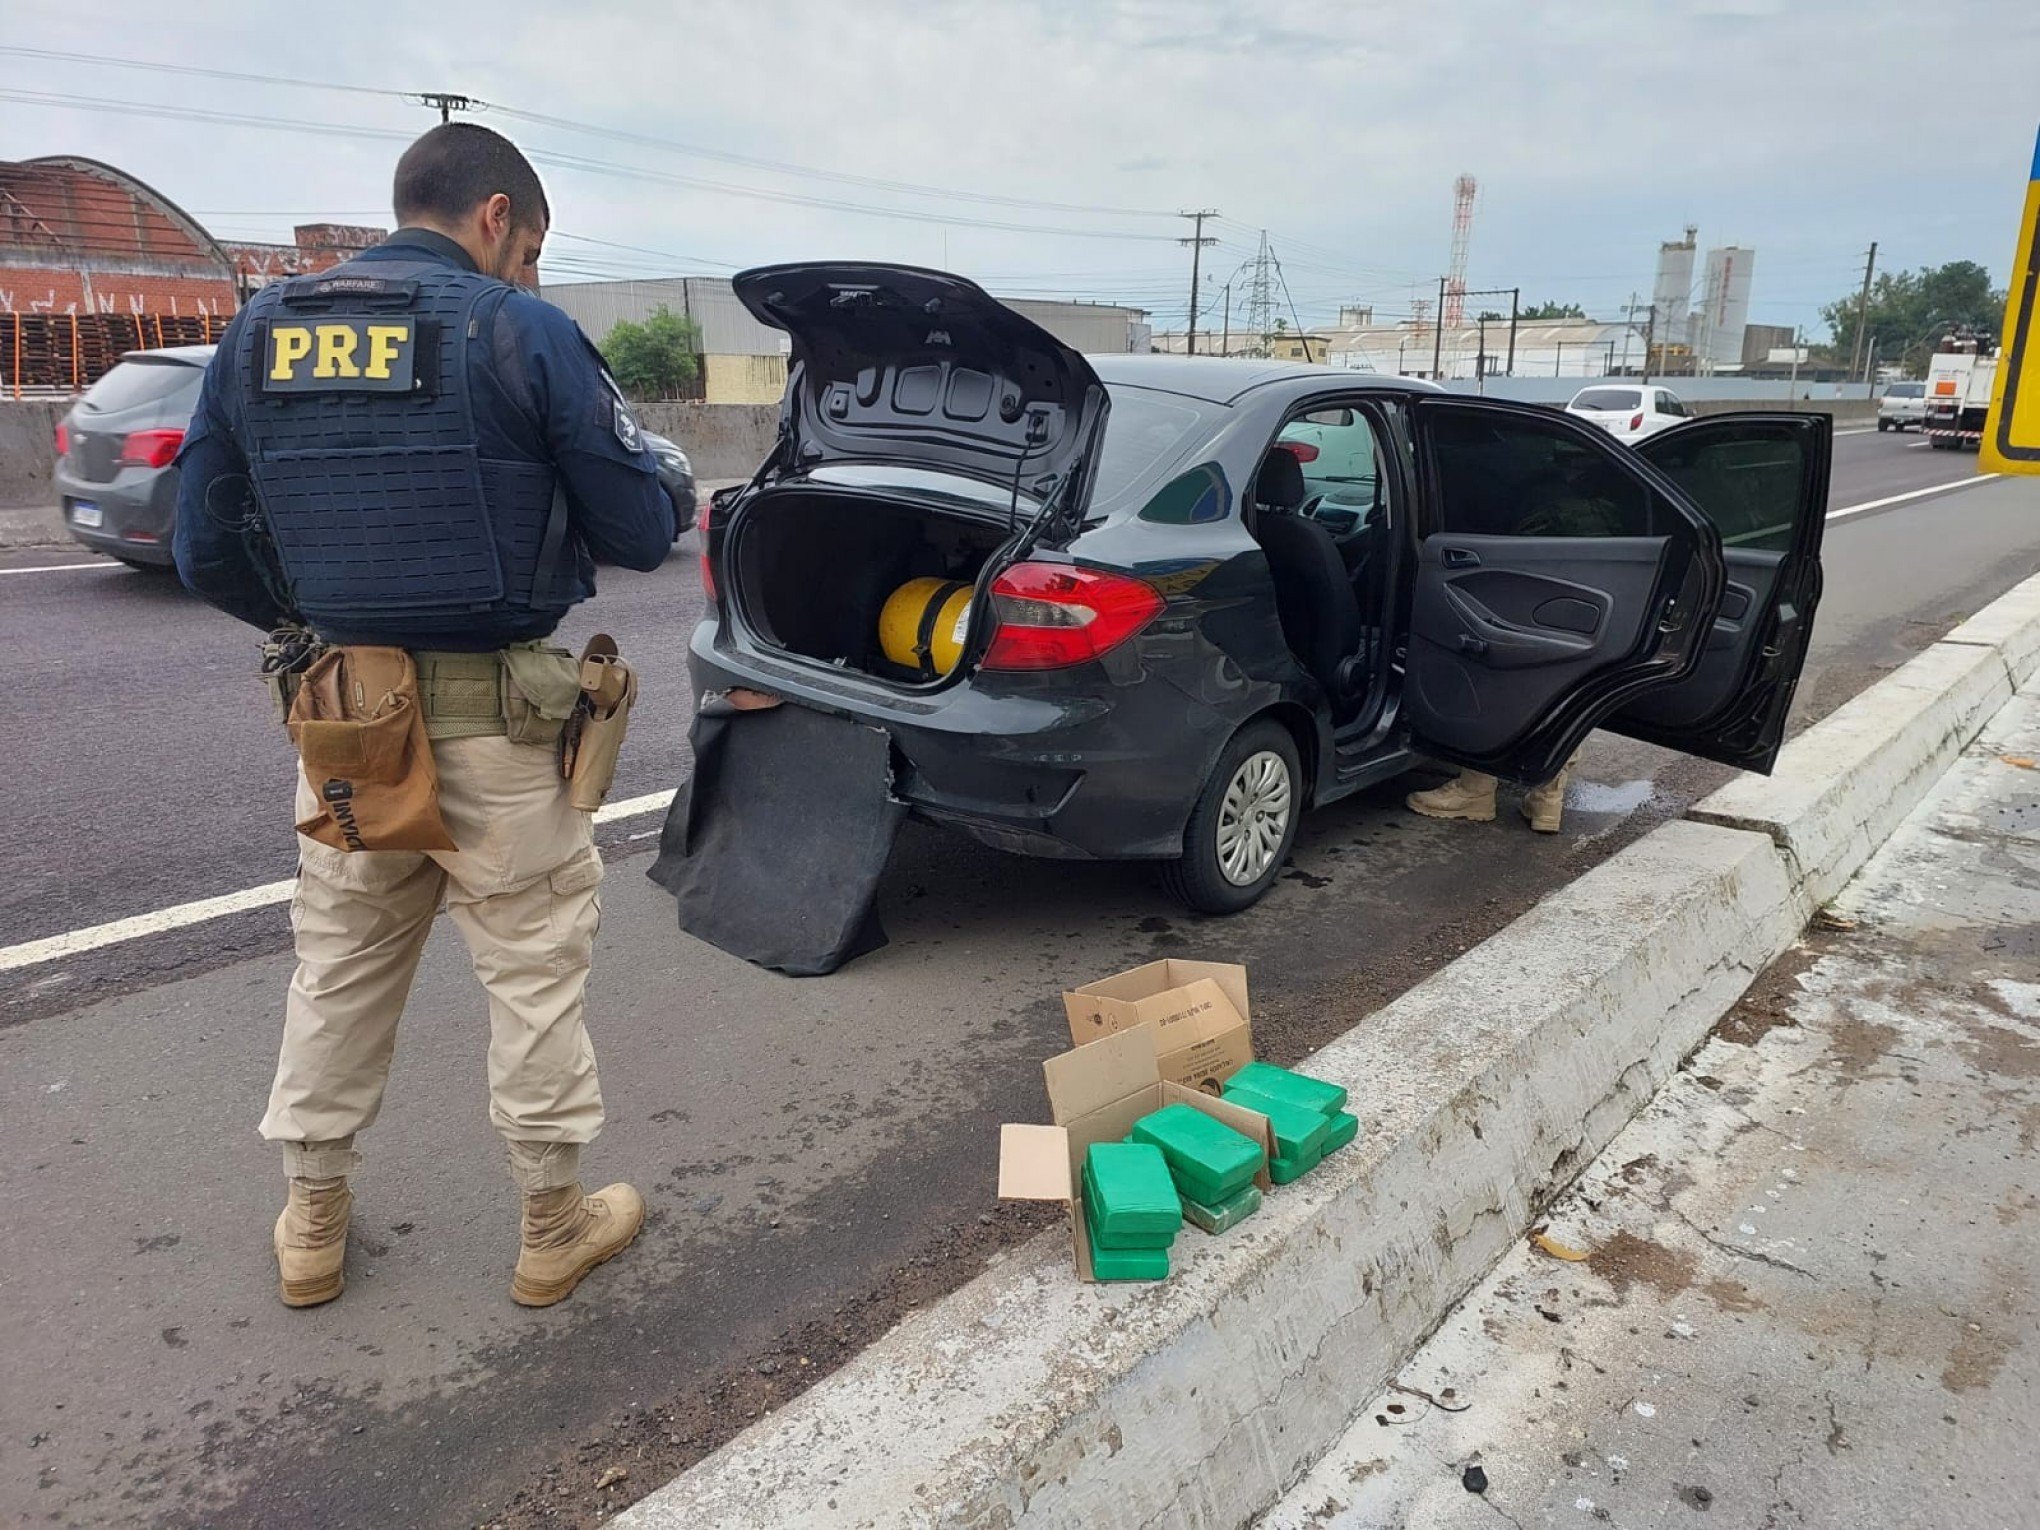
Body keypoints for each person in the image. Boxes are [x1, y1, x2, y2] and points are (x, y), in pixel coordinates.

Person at [174, 124, 677, 1309]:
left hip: (352, 734)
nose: (531, 275)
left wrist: (317, 638)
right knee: (535, 977)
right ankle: (551, 1232)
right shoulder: (521, 330)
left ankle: (311, 1229)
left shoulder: (260, 332)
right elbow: (644, 533)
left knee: (338, 974)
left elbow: (203, 547)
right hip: (502, 735)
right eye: (533, 249)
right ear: (496, 216)